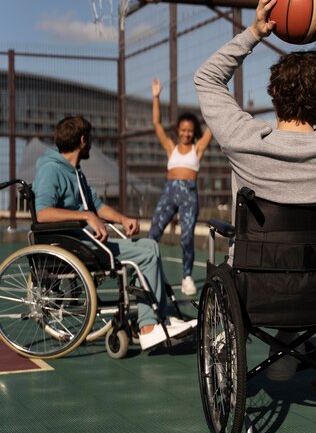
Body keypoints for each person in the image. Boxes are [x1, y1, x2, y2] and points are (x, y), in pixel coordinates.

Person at [194, 0, 316, 379]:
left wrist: (255, 32)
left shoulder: (244, 141)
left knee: (248, 254)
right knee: (303, 254)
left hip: (258, 286)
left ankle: (252, 344)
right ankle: (297, 339)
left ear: (274, 94)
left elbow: (207, 79)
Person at [32, 115, 197, 351]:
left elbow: (97, 205)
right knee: (147, 253)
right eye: (89, 140)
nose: (91, 144)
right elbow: (42, 213)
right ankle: (149, 328)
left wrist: (122, 219)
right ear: (82, 140)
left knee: (149, 246)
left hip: (85, 240)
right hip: (74, 245)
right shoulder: (51, 170)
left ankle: (160, 316)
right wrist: (87, 216)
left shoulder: (74, 171)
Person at [148, 79, 212, 296]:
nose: (186, 134)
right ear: (177, 130)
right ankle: (149, 274)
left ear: (194, 132)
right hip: (169, 193)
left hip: (189, 196)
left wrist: (212, 97)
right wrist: (156, 97)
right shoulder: (170, 148)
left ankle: (186, 277)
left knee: (187, 238)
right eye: (183, 130)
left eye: (190, 131)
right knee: (153, 234)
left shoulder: (198, 148)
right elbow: (157, 124)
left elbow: (212, 126)